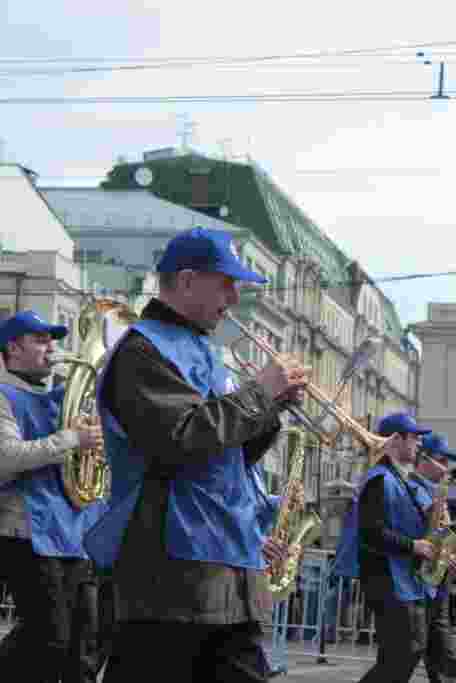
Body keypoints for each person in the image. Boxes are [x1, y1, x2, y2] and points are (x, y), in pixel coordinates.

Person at [84, 227, 304, 682]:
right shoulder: (143, 348)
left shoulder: (204, 349)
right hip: (172, 572)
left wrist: (270, 408)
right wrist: (258, 394)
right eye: (225, 281)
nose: (235, 294)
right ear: (186, 281)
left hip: (226, 559)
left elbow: (228, 456)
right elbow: (181, 439)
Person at [0, 310, 107, 682]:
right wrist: (73, 439)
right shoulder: (3, 395)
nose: (52, 347)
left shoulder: (62, 398)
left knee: (83, 649)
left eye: (53, 339)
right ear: (12, 347)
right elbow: (6, 458)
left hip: (72, 535)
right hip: (27, 534)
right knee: (49, 639)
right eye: (40, 339)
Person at [346, 412, 450, 683]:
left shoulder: (397, 478)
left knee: (403, 653)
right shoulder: (380, 479)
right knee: (404, 652)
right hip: (387, 579)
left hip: (402, 578)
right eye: (414, 437)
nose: (418, 444)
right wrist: (415, 546)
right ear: (396, 439)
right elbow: (371, 532)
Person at [410, 432, 456, 683]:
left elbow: (440, 534)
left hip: (437, 587)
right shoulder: (414, 487)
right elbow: (426, 534)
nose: (445, 468)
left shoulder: (436, 491)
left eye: (448, 462)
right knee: (402, 659)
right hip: (417, 586)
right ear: (423, 459)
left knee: (445, 662)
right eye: (441, 460)